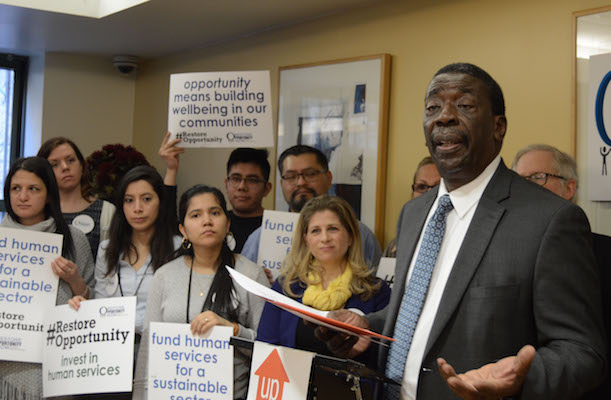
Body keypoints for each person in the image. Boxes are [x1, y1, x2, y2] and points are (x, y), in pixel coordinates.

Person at [319, 63, 605, 399]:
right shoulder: (414, 213)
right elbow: (418, 312)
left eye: (465, 106)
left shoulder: (550, 220)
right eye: (433, 107)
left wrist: (522, 377)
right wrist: (367, 326)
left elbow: (582, 352)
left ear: (499, 127)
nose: (444, 117)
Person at [132, 185, 270, 400]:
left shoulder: (251, 275)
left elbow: (269, 351)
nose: (207, 221)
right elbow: (148, 355)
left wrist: (233, 330)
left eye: (215, 213)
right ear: (183, 230)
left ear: (228, 224)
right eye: (196, 215)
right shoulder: (165, 276)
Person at [258, 195, 390, 399]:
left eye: (333, 229)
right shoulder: (286, 287)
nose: (324, 238)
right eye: (315, 231)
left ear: (351, 236)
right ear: (306, 239)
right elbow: (266, 346)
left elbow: (385, 360)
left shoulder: (376, 291)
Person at [512, 143, 611, 399]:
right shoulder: (503, 251)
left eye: (538, 177)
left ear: (569, 188)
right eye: (518, 179)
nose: (525, 187)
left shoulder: (604, 253)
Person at [0, 156, 95, 400]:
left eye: (33, 189)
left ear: (49, 194)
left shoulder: (74, 239)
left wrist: (75, 281)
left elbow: (91, 306)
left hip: (55, 366)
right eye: (16, 189)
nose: (23, 197)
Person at [69, 166, 181, 357]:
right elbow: (101, 304)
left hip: (161, 348)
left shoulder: (177, 249)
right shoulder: (107, 249)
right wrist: (85, 307)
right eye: (129, 200)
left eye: (146, 199)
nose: (137, 208)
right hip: (113, 348)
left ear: (160, 202)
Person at [241, 145, 382, 267]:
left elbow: (376, 288)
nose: (301, 182)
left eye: (310, 174)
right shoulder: (259, 238)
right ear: (282, 184)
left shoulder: (361, 234)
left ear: (329, 178)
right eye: (291, 176)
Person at [38, 137, 116, 260]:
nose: (65, 167)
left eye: (71, 160)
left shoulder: (107, 211)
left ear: (82, 165)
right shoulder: (38, 211)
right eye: (55, 164)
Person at [383, 156, 440, 257]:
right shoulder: (395, 246)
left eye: (437, 187)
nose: (429, 195)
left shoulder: (457, 243)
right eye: (422, 187)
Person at [224, 148, 272, 253]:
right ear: (226, 184)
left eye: (252, 180)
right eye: (236, 179)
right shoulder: (216, 223)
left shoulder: (277, 228)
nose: (242, 187)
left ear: (267, 189)